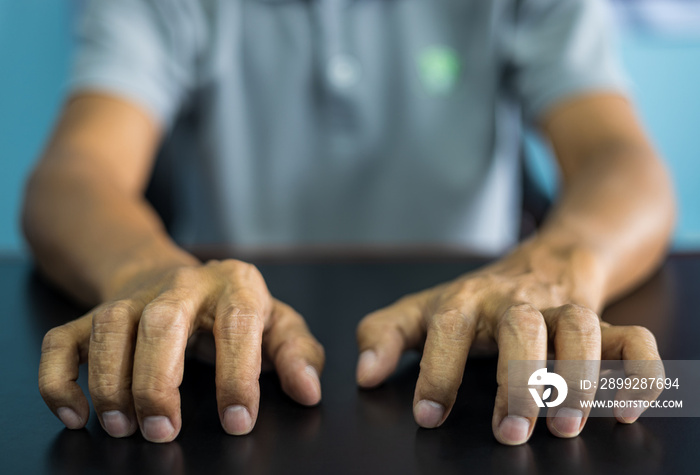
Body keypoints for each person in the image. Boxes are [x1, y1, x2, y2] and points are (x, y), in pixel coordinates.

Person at [23, 0, 674, 445]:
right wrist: (147, 272)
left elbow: (624, 164)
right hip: (222, 365)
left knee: (666, 393)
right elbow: (73, 176)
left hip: (488, 355)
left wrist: (553, 269)